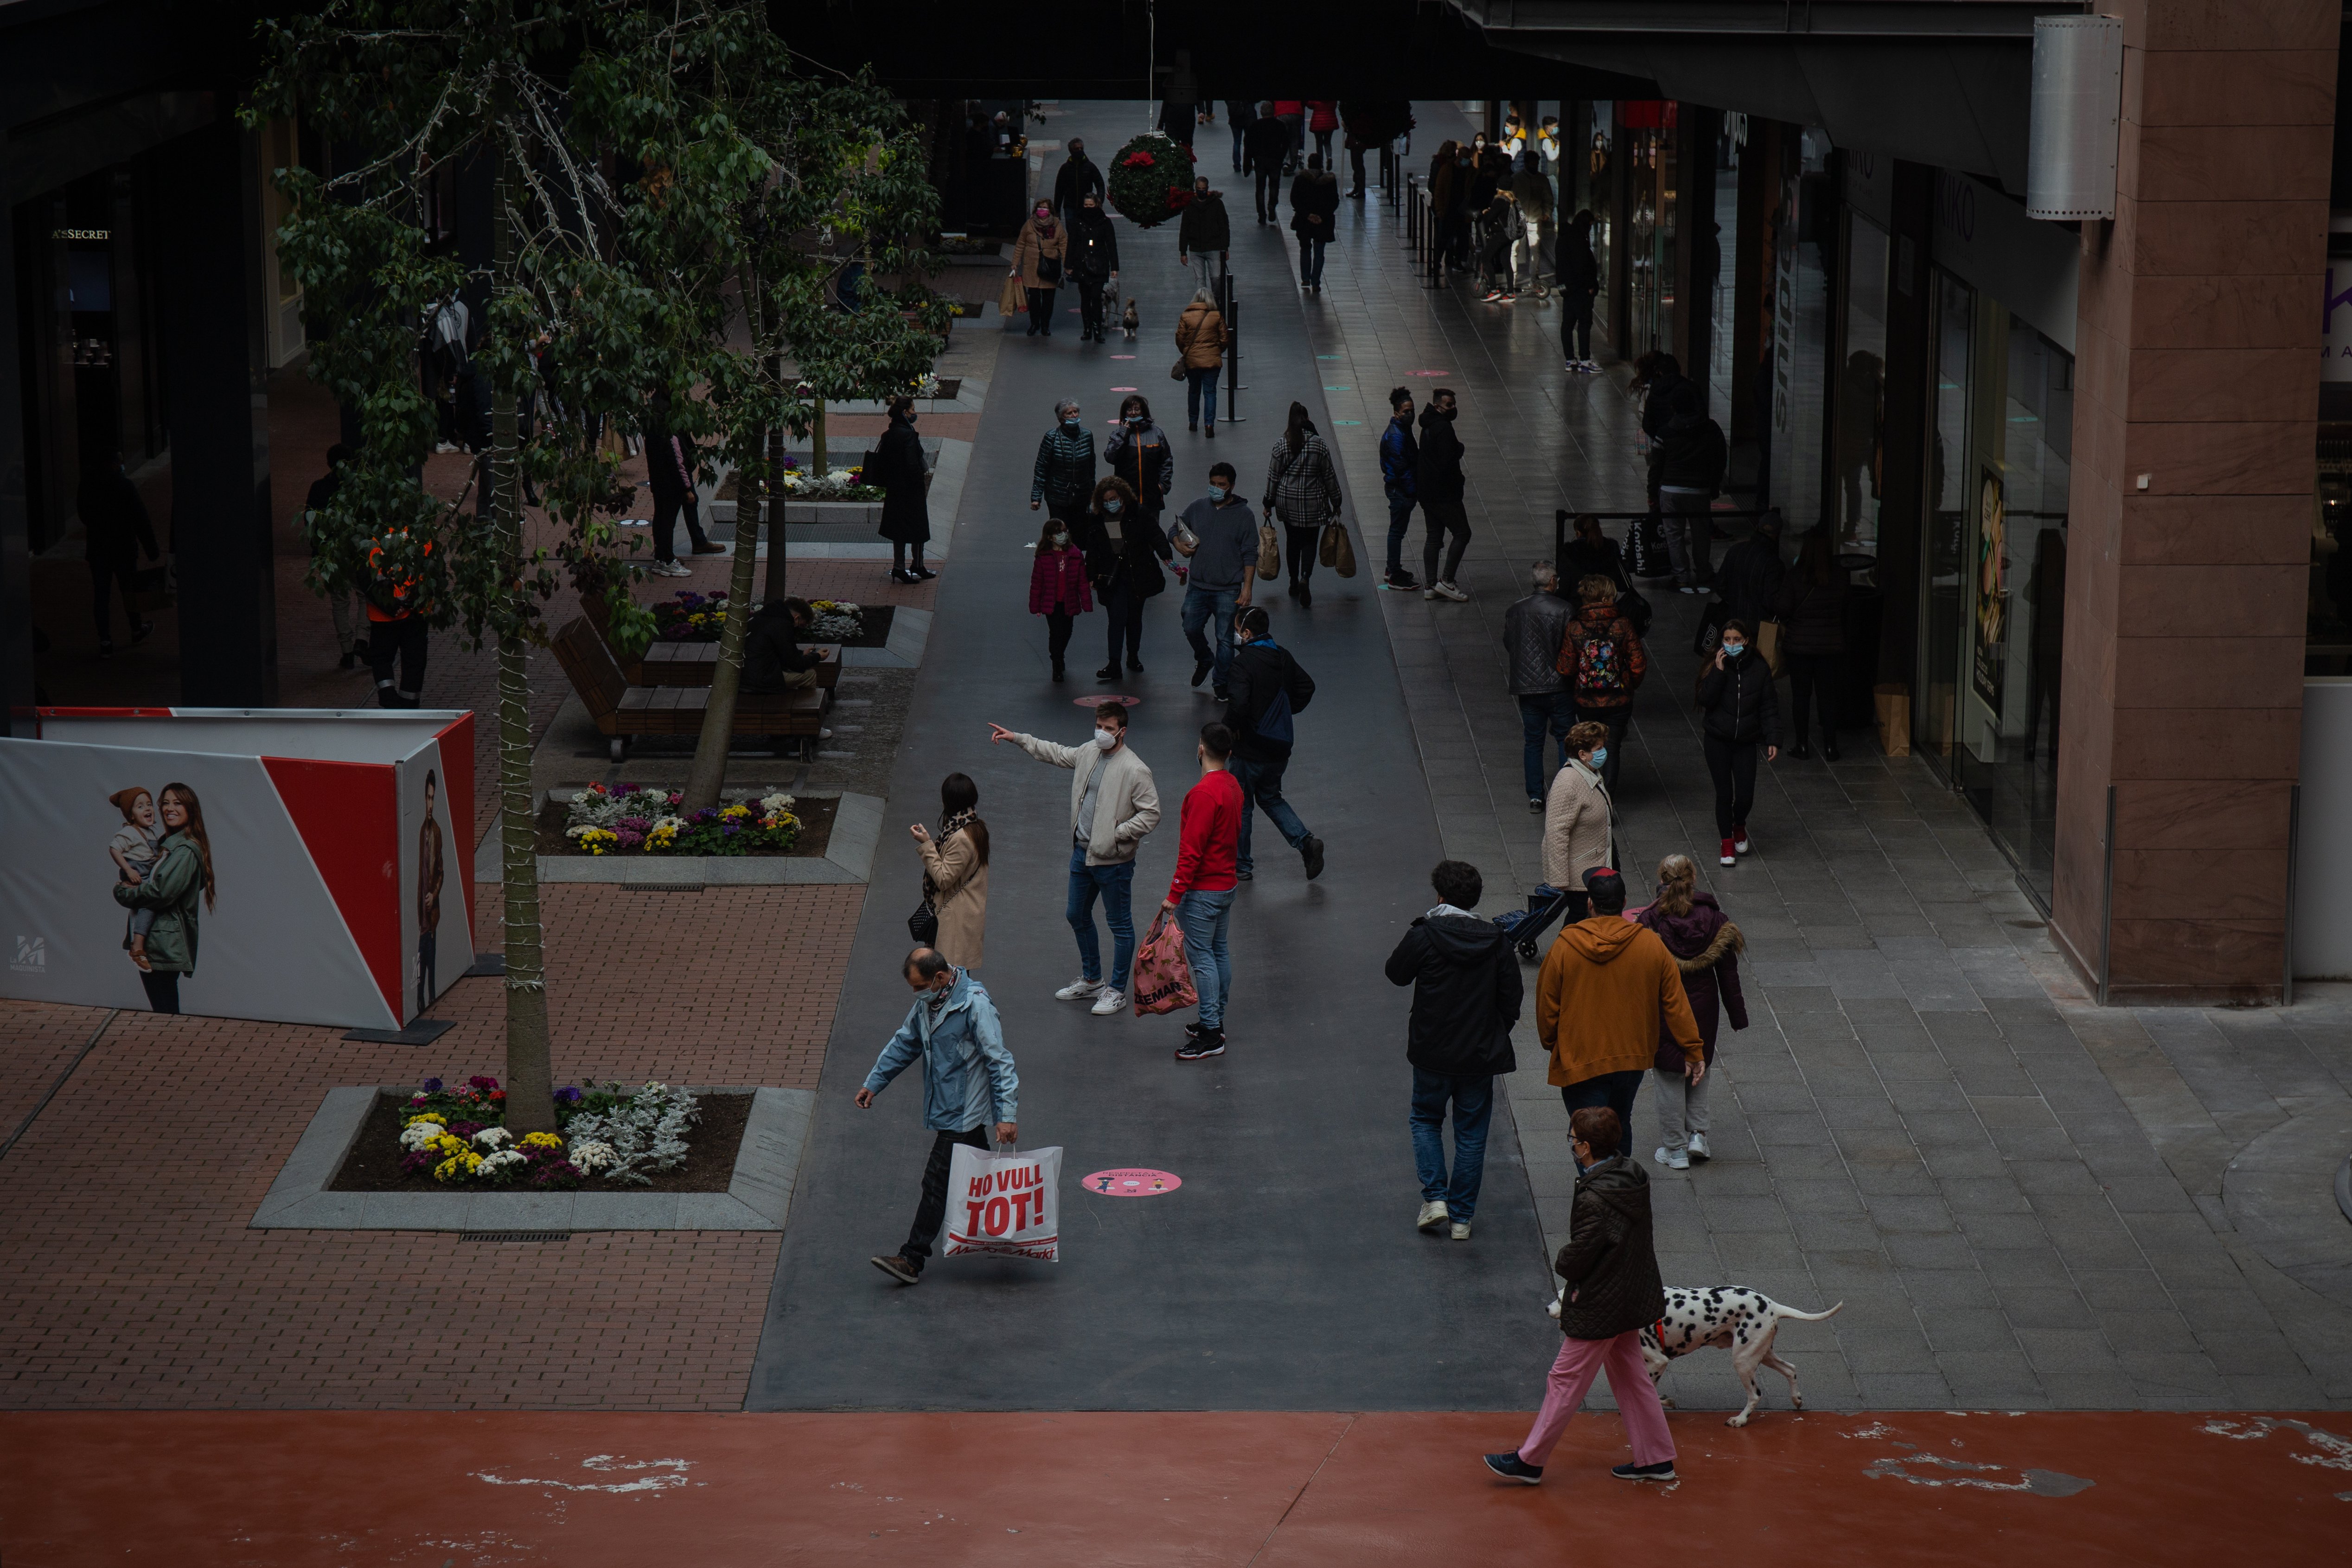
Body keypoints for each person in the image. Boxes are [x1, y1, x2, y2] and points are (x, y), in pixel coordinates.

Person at [1482, 1105, 1680, 1486]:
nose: (1571, 1144)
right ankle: (1656, 1457)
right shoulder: (1633, 1174)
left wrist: (1563, 1259)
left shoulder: (1595, 1197)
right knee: (1631, 1375)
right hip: (1630, 1293)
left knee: (1565, 1377)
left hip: (1602, 1300)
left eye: (1573, 1139)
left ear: (1586, 1147)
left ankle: (1530, 1460)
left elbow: (1581, 1255)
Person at [859, 947, 1020, 1286]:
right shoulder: (927, 1003)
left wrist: (1006, 1115)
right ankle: (1009, 1231)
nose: (917, 994)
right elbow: (906, 1042)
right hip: (948, 1109)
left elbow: (999, 1062)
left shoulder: (975, 1005)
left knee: (936, 1183)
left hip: (964, 1112)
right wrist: (875, 1082)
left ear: (941, 977)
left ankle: (912, 1259)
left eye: (921, 987)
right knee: (979, 1173)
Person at [989, 703, 1161, 1016]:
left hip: (1114, 862)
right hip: (1083, 854)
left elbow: (1151, 813)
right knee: (1076, 914)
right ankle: (1093, 979)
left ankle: (1117, 990)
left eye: (1109, 728)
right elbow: (1055, 752)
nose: (1102, 733)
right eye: (1099, 725)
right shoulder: (1089, 752)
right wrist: (1018, 738)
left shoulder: (1135, 769)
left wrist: (1116, 833)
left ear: (1123, 731)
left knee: (1120, 924)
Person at [1387, 859, 1521, 1242]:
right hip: (1478, 1055)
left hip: (1431, 1051)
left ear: (1440, 896)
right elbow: (1512, 999)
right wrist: (1494, 1032)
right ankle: (1462, 1217)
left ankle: (1435, 1199)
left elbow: (1396, 973)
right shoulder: (1496, 941)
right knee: (1472, 1133)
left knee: (1426, 1120)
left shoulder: (1426, 935)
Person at [1536, 866, 1704, 1171]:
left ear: (1590, 904)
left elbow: (1547, 1006)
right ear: (1625, 902)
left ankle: (1598, 1195)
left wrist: (1554, 1043)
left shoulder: (1564, 947)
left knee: (1586, 1135)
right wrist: (1693, 1049)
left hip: (1580, 1058)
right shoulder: (1650, 945)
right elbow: (1676, 1003)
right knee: (1620, 1122)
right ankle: (1619, 1189)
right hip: (1631, 1057)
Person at [1635, 853, 1746, 1171]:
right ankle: (1698, 1135)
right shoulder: (1715, 920)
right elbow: (1729, 975)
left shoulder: (1650, 921)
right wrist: (1738, 1015)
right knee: (1700, 1067)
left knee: (1670, 1074)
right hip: (1703, 1007)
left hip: (1664, 1008)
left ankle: (1675, 1149)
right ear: (1693, 879)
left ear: (1661, 880)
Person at [1161, 721, 1244, 1061]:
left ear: (1200, 748)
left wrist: (1174, 894)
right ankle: (1215, 1019)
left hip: (1203, 892)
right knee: (1218, 951)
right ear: (1229, 752)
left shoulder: (1202, 794)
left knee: (1202, 959)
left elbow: (1191, 850)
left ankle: (1211, 1033)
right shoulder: (1233, 785)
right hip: (1226, 885)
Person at [1224, 605, 1323, 883]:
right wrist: (1282, 712)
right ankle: (1305, 842)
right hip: (1279, 747)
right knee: (1270, 797)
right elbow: (1307, 687)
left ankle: (1241, 865)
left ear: (1246, 632)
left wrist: (1225, 734)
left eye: (1236, 630)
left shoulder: (1242, 663)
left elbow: (1239, 705)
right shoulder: (1282, 656)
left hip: (1249, 749)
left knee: (1241, 805)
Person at [113, 781, 214, 1015]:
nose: (170, 808)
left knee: (165, 1014)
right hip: (157, 942)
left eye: (178, 803)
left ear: (191, 809)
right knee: (164, 1012)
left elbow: (161, 893)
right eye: (165, 803)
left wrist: (123, 893)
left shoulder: (185, 850)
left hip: (164, 944)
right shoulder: (165, 846)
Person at [1171, 461, 1259, 700]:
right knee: (1190, 626)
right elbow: (1175, 528)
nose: (1216, 488)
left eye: (1221, 484)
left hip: (1228, 590)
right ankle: (1204, 658)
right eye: (1212, 484)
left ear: (1232, 486)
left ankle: (1221, 682)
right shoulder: (1198, 507)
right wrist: (1179, 545)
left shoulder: (1244, 516)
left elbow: (1251, 553)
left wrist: (1247, 588)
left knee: (1226, 639)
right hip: (1198, 585)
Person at [1697, 619, 1780, 864]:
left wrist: (1772, 738)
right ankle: (1727, 845)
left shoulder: (1759, 669)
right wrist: (1719, 673)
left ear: (1746, 641)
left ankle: (1739, 824)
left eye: (1736, 640)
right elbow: (1706, 700)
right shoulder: (1715, 665)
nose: (1731, 644)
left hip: (1746, 741)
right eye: (1727, 640)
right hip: (1717, 740)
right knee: (1724, 794)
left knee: (1745, 795)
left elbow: (1769, 706)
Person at [1559, 572, 1647, 792]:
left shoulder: (1575, 628)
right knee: (1613, 748)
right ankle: (1608, 800)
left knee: (1589, 746)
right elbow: (1638, 663)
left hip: (1586, 701)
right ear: (1608, 597)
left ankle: (1589, 794)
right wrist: (1628, 684)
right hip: (1619, 701)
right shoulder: (1623, 625)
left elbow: (1566, 667)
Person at [1078, 475, 1170, 679]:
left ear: (1123, 497)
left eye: (1114, 498)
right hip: (1112, 576)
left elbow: (1156, 534)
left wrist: (1166, 556)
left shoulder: (1139, 514)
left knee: (1135, 618)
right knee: (1117, 618)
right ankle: (1114, 663)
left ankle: (1133, 656)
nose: (1110, 503)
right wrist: (1091, 575)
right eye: (1106, 500)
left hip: (1137, 573)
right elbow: (1092, 549)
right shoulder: (1098, 519)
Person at [1773, 528, 1851, 761]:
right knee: (1828, 697)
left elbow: (1783, 609)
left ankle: (1802, 745)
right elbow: (1846, 608)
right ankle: (1831, 747)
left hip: (1799, 647)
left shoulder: (1795, 576)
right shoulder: (1840, 576)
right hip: (1830, 646)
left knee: (1801, 697)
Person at [1505, 564, 1577, 809]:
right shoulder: (1565, 609)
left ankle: (1536, 796)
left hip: (1528, 688)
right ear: (1553, 581)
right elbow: (1570, 649)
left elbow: (1509, 643)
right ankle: (1562, 794)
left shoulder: (1515, 610)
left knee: (1533, 741)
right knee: (1564, 739)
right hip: (1559, 687)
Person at [78, 455, 160, 660]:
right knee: (129, 590)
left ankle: (105, 641)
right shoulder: (125, 486)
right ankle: (136, 629)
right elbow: (141, 518)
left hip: (99, 550)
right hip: (124, 549)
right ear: (115, 464)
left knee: (102, 595)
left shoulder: (88, 486)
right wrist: (152, 549)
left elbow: (84, 515)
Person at [1262, 403, 1341, 605]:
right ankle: (1306, 576)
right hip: (1313, 502)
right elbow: (1329, 476)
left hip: (1287, 502)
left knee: (1293, 541)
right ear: (1307, 419)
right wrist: (1337, 501)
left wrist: (1268, 503)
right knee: (1309, 542)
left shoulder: (1282, 443)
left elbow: (1273, 476)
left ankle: (1293, 580)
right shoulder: (1319, 444)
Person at [913, 774, 990, 972]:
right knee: (956, 979)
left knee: (950, 981)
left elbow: (943, 879)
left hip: (955, 919)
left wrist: (926, 845)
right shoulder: (973, 826)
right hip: (963, 914)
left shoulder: (961, 837)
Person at [1656, 382, 1726, 594]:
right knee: (1701, 534)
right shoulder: (1711, 428)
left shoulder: (1665, 432)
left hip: (1670, 491)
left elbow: (1657, 467)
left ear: (1674, 407)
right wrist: (1714, 485)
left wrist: (1653, 493)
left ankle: (1682, 577)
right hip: (1699, 490)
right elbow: (1721, 458)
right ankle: (1704, 573)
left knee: (1674, 535)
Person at [1542, 722, 1614, 920]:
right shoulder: (1568, 784)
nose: (1604, 753)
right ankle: (1564, 951)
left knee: (1586, 920)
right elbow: (1556, 832)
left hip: (1594, 868)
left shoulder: (1590, 774)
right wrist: (1560, 880)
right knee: (1579, 919)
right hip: (1580, 875)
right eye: (1598, 749)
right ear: (1582, 754)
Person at [303, 446, 366, 669]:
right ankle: (362, 639)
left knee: (339, 601)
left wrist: (318, 550)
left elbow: (310, 522)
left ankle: (347, 651)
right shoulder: (358, 488)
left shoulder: (319, 488)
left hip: (330, 552)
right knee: (365, 594)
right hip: (356, 551)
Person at [644, 391, 719, 577]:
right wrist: (687, 489)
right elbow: (678, 463)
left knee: (661, 519)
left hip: (659, 483)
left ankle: (661, 558)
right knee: (668, 521)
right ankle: (667, 560)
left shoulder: (653, 431)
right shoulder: (671, 435)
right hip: (672, 486)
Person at [364, 524, 433, 709]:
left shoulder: (372, 539)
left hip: (383, 617)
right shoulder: (422, 536)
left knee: (381, 658)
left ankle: (388, 699)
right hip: (416, 613)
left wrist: (391, 606)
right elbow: (432, 574)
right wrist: (411, 601)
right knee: (414, 662)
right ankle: (409, 707)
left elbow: (365, 578)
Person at [1417, 388, 1470, 601]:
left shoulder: (1428, 424)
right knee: (1463, 533)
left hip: (1427, 492)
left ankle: (1430, 585)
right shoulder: (1444, 428)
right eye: (1450, 405)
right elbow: (1448, 459)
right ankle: (1447, 581)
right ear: (1438, 406)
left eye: (1454, 404)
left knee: (1434, 537)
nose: (1453, 408)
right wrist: (1459, 449)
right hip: (1444, 494)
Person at [873, 396, 933, 583]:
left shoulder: (888, 434)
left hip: (895, 488)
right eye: (913, 409)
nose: (915, 413)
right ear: (905, 413)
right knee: (919, 526)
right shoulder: (908, 434)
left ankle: (899, 567)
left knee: (898, 527)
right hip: (911, 488)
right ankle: (918, 564)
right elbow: (913, 463)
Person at [1029, 511, 1093, 682]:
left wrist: (1086, 603)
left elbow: (1082, 580)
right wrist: (1035, 606)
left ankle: (1059, 655)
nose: (1063, 535)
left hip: (1069, 601)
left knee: (1067, 631)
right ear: (1050, 537)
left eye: (1065, 531)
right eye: (1059, 532)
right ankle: (1056, 663)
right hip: (1052, 602)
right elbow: (1037, 583)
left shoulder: (1075, 554)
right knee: (1056, 632)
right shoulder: (1043, 558)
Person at [1104, 395, 1173, 531]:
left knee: (1151, 534)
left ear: (1144, 412)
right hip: (1126, 497)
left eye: (1137, 409)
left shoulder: (1157, 434)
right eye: (1130, 410)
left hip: (1151, 497)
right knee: (1129, 534)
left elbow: (1166, 460)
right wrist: (1123, 434)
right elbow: (1110, 457)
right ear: (1124, 413)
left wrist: (1163, 486)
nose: (1134, 413)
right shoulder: (1118, 435)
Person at [743, 596, 834, 694]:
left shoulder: (761, 615)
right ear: (797, 618)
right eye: (801, 626)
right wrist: (818, 656)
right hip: (760, 680)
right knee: (810, 675)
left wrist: (802, 653)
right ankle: (806, 707)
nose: (798, 628)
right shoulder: (783, 626)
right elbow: (796, 664)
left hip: (745, 674)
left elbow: (780, 650)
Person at [1030, 399, 1098, 530]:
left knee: (1080, 531)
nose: (1074, 416)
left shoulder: (1087, 436)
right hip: (1057, 496)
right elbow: (1041, 468)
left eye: (1076, 412)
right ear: (1061, 418)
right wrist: (1036, 497)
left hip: (1081, 495)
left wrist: (1093, 494)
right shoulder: (1051, 437)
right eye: (1069, 413)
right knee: (1060, 531)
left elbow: (1091, 467)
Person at [1377, 388, 1420, 591]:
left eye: (1412, 410)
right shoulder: (1396, 436)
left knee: (1398, 531)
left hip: (1400, 489)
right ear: (1397, 413)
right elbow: (1401, 466)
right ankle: (1394, 574)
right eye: (1406, 411)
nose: (1410, 414)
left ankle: (1391, 569)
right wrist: (1413, 491)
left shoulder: (1402, 430)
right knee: (1396, 532)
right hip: (1400, 490)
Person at [1713, 511, 1786, 633]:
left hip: (1733, 621)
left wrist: (1736, 601)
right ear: (1777, 535)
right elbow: (1771, 601)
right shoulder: (1774, 563)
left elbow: (1720, 586)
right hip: (1759, 627)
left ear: (1757, 528)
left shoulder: (1735, 550)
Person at [1174, 288, 1229, 435]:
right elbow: (1225, 338)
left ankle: (1193, 422)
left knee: (1194, 390)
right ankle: (1209, 425)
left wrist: (1186, 352)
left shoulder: (1186, 316)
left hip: (1193, 361)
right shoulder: (1216, 316)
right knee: (1210, 392)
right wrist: (1217, 351)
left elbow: (1180, 339)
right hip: (1212, 361)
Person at [1067, 192, 1120, 343]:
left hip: (1100, 264)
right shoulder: (1078, 222)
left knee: (1096, 297)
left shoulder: (1105, 222)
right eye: (1086, 205)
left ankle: (1097, 330)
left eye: (1091, 205)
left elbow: (1111, 245)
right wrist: (1069, 265)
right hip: (1082, 264)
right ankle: (1087, 329)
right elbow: (1071, 243)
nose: (1088, 208)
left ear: (1097, 205)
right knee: (1085, 298)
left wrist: (1115, 267)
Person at [1010, 202, 1067, 337]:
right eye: (1040, 208)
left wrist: (1067, 264)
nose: (1043, 210)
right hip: (1032, 268)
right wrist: (1015, 264)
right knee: (1034, 298)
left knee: (1048, 299)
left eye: (1045, 208)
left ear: (1050, 211)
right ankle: (1035, 323)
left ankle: (1045, 325)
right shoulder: (1029, 225)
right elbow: (1020, 244)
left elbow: (1064, 245)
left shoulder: (1057, 226)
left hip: (1050, 267)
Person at [1289, 154, 1340, 293]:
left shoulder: (1300, 179)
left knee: (1305, 248)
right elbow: (1335, 201)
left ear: (1309, 165)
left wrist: (1307, 215)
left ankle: (1305, 278)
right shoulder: (1329, 181)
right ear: (1321, 165)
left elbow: (1294, 199)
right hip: (1323, 222)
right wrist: (1322, 216)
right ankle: (1316, 282)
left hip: (1304, 221)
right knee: (1319, 252)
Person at [1558, 210, 1601, 372]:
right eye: (1589, 225)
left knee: (1568, 325)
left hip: (1568, 289)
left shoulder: (1563, 238)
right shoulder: (1578, 240)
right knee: (1584, 324)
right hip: (1580, 289)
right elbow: (1582, 266)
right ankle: (1585, 360)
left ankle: (1570, 359)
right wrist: (1591, 286)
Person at [1176, 175, 1231, 301]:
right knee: (1200, 281)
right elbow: (1184, 229)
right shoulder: (1189, 205)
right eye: (1199, 189)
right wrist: (1183, 252)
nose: (1202, 191)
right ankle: (1204, 305)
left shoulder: (1217, 204)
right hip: (1196, 249)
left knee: (1217, 278)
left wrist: (1225, 248)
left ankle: (1215, 301)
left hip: (1214, 247)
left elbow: (1224, 226)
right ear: (1195, 189)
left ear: (1208, 189)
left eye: (1204, 189)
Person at [417, 769, 443, 1014]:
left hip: (431, 913)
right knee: (420, 963)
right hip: (419, 916)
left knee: (431, 961)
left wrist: (433, 895)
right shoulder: (419, 832)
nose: (431, 804)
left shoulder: (436, 832)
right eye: (428, 798)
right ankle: (419, 1000)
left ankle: (431, 998)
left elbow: (440, 871)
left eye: (434, 798)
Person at [1512, 150, 1554, 298]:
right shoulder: (1517, 179)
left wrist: (1547, 213)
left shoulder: (1542, 179)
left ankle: (1534, 277)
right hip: (1520, 220)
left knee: (1535, 251)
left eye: (1536, 163)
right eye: (1532, 163)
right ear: (1526, 163)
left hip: (1535, 219)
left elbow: (1548, 198)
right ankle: (1514, 276)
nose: (1534, 166)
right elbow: (1512, 200)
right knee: (1515, 249)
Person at [1244, 103, 1291, 224]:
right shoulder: (1280, 125)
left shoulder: (1255, 126)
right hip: (1275, 159)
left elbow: (1248, 145)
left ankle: (1261, 214)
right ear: (1273, 112)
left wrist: (1249, 162)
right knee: (1274, 185)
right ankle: (1272, 204)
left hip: (1260, 160)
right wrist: (1281, 156)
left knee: (1260, 188)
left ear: (1261, 112)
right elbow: (1286, 143)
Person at [1559, 511, 1629, 594]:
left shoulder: (1570, 552)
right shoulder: (1611, 548)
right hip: (1606, 601)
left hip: (1577, 603)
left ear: (1578, 533)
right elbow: (1622, 582)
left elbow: (1563, 587)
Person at [1476, 184, 1518, 300]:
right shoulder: (1513, 200)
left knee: (1486, 259)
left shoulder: (1499, 201)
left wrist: (1486, 213)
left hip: (1500, 235)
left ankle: (1494, 291)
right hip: (1510, 235)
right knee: (1506, 262)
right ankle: (1510, 293)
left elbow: (1489, 218)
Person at [1051, 136, 1104, 223]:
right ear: (1071, 151)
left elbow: (1100, 184)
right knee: (1072, 231)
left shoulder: (1090, 167)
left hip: (1086, 206)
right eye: (1077, 149)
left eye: (1081, 148)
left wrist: (1099, 201)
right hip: (1070, 206)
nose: (1080, 151)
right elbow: (1059, 190)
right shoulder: (1065, 169)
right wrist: (1057, 210)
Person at [1272, 99, 1306, 172]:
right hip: (1296, 111)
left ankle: (1285, 162)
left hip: (1281, 111)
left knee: (1283, 139)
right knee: (1295, 139)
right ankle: (1293, 164)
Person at [1224, 98, 1256, 173]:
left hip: (1235, 118)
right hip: (1248, 117)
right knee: (1249, 142)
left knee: (1237, 142)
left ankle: (1237, 165)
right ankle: (1249, 163)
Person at [1306, 99, 1339, 166]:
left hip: (1317, 123)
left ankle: (1320, 163)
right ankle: (1329, 157)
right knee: (1327, 142)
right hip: (1330, 122)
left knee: (1319, 143)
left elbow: (1310, 105)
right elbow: (1334, 106)